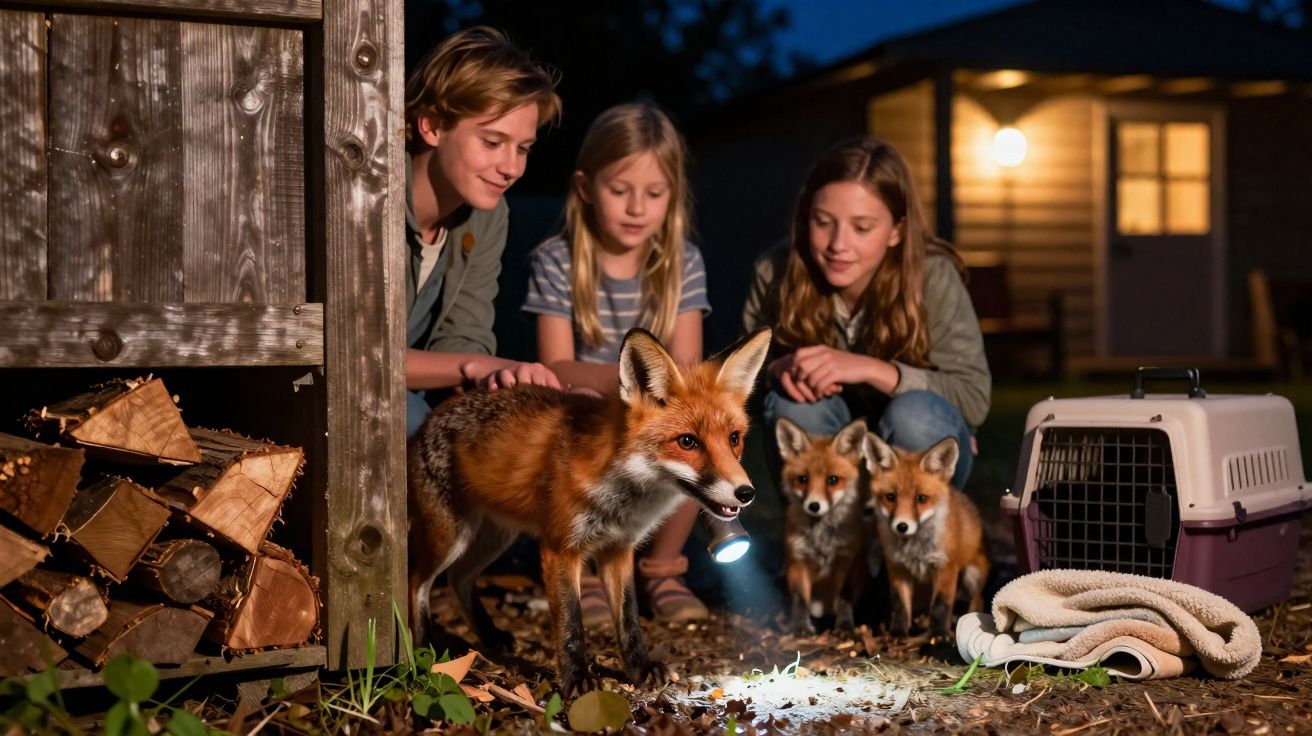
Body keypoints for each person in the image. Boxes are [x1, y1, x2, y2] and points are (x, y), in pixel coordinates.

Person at [522, 102, 712, 624]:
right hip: (591, 403)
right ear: (585, 188)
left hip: (658, 409)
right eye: (619, 190)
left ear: (672, 196)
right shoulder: (557, 260)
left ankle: (664, 571)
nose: (636, 208)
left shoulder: (683, 262)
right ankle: (580, 570)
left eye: (654, 193)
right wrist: (627, 387)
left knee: (702, 430)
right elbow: (556, 367)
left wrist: (660, 400)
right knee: (578, 413)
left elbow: (689, 368)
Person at [743, 137, 990, 490]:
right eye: (823, 221)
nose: (838, 244)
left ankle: (909, 536)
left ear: (896, 231)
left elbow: (973, 397)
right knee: (793, 406)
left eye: (861, 228)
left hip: (912, 442)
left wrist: (872, 370)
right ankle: (827, 538)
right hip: (831, 453)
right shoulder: (775, 272)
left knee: (916, 416)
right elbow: (737, 395)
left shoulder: (933, 276)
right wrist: (775, 371)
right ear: (805, 216)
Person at [404, 26, 564, 437]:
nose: (511, 167)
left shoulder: (487, 215)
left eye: (523, 148)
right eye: (493, 142)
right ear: (433, 126)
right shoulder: (363, 202)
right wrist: (473, 366)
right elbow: (351, 351)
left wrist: (504, 381)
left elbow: (465, 334)